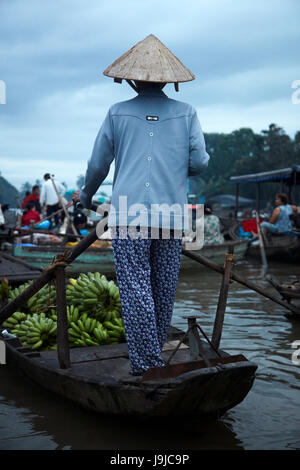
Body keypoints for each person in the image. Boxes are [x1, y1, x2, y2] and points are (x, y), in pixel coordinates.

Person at [75, 34, 210, 376]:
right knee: (162, 288)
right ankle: (155, 357)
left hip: (127, 214)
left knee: (136, 287)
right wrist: (176, 167)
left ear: (132, 79)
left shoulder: (117, 112)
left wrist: (87, 197)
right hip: (172, 215)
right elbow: (200, 162)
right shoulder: (186, 112)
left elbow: (97, 166)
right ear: (168, 81)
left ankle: (146, 363)